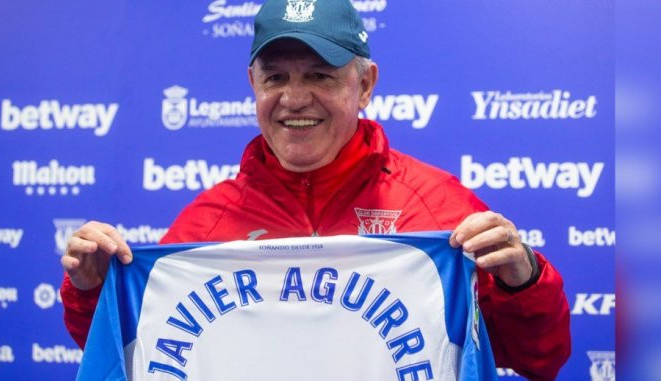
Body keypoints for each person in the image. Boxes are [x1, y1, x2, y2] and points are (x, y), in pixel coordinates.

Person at [60, 0, 571, 379]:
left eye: (321, 76)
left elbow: (539, 357)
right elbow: (139, 355)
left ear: (365, 83)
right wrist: (92, 292)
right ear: (252, 83)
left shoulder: (439, 211)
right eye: (275, 76)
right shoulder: (204, 225)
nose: (294, 98)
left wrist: (522, 279)